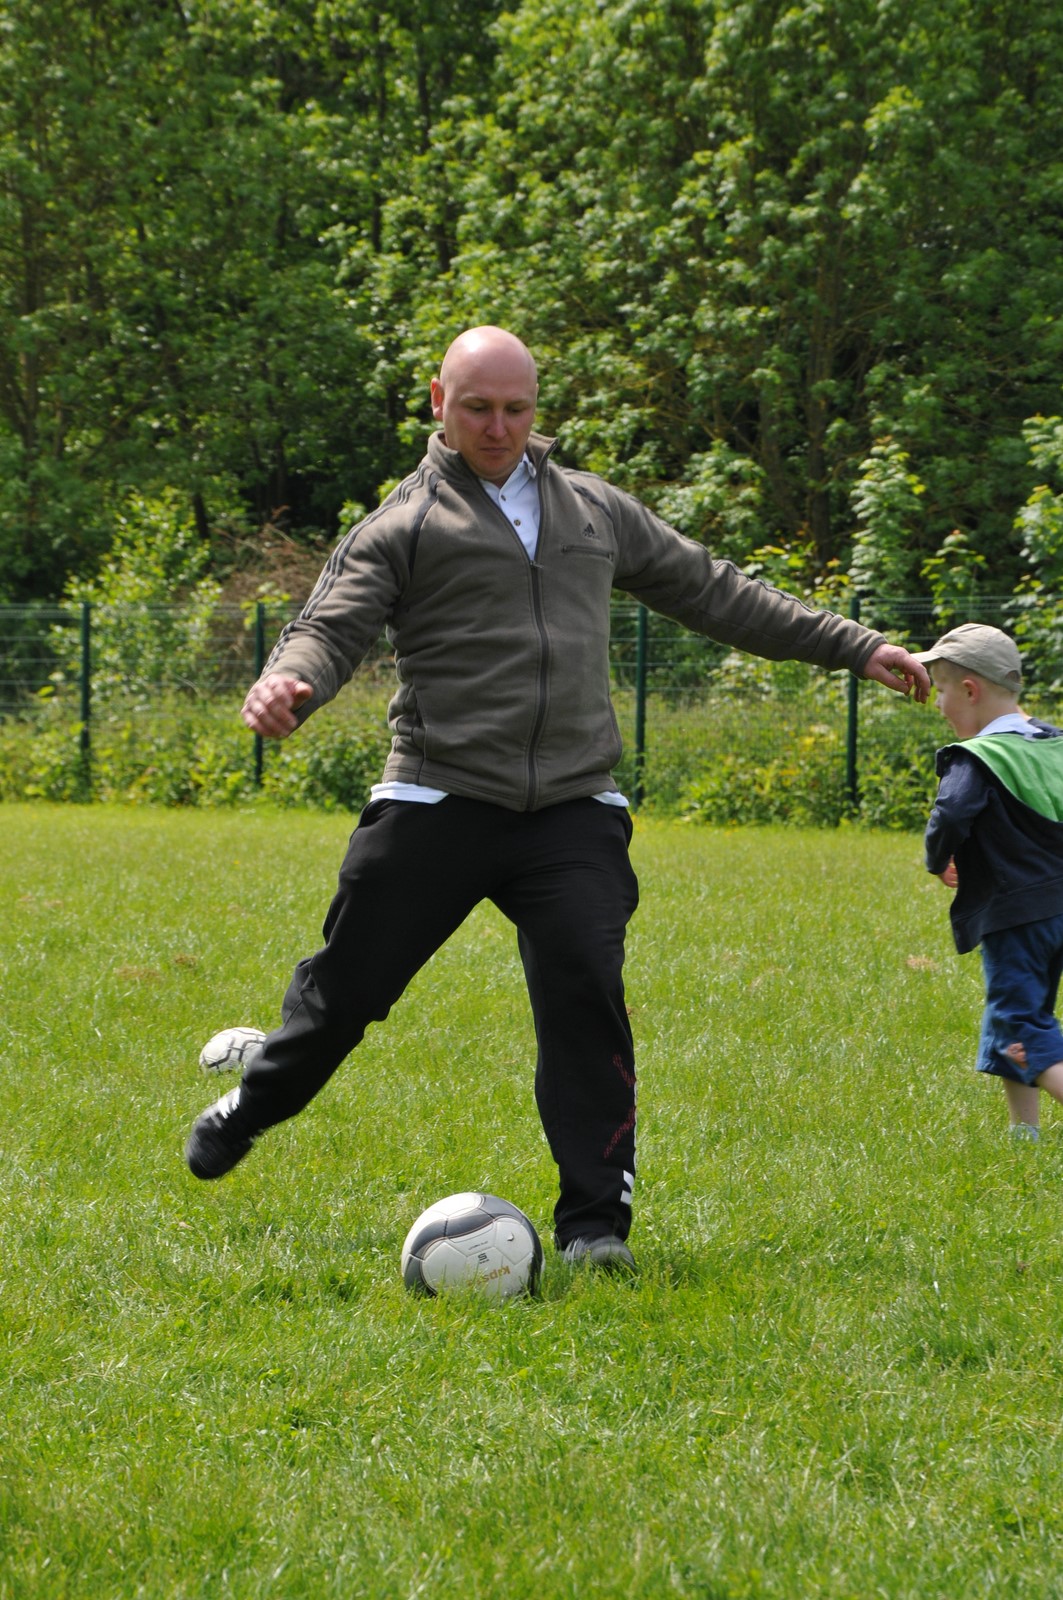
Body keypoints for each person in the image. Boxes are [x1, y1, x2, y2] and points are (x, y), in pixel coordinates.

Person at [185, 325, 930, 1272]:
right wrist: (288, 683)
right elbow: (326, 628)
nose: (497, 428)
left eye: (516, 409)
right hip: (439, 796)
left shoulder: (593, 509)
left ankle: (593, 1230)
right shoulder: (403, 524)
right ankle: (252, 1104)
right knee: (347, 994)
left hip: (573, 808)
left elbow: (714, 591)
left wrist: (854, 645)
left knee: (585, 989)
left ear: (536, 408)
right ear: (438, 403)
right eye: (477, 408)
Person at [915, 623, 1063, 1141]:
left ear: (970, 690)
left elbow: (951, 813)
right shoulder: (1054, 744)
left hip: (1015, 916)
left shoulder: (978, 757)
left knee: (1020, 1027)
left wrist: (938, 858)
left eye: (941, 690)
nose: (938, 704)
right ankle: (1024, 1136)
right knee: (1020, 1017)